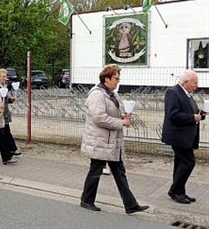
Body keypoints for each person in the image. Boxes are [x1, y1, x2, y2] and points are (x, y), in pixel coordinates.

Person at [80, 64, 149, 214]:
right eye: (116, 78)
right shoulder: (97, 94)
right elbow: (99, 118)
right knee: (96, 171)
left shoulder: (112, 94)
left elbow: (113, 114)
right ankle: (86, 200)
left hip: (111, 142)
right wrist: (120, 122)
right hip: (100, 141)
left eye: (119, 78)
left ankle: (130, 204)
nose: (118, 81)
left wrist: (124, 116)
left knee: (119, 172)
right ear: (106, 79)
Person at [162, 69, 206, 204]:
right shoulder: (173, 92)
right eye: (195, 83)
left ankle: (180, 192)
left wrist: (200, 114)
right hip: (177, 135)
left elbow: (188, 111)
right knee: (188, 162)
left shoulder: (187, 94)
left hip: (186, 136)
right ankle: (174, 190)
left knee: (180, 163)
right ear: (185, 82)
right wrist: (193, 117)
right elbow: (173, 114)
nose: (196, 86)